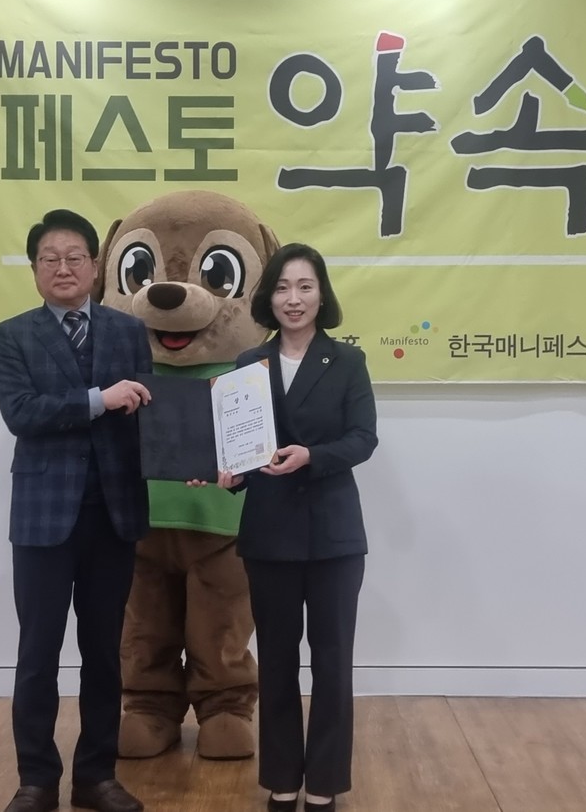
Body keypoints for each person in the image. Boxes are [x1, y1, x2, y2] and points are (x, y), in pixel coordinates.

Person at [192, 243, 378, 812]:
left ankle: (323, 784)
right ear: (268, 297)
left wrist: (312, 456)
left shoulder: (346, 361)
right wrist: (229, 475)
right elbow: (244, 452)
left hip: (333, 536)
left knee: (332, 663)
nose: (293, 299)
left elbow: (363, 438)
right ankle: (281, 780)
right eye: (282, 287)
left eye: (304, 286)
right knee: (274, 661)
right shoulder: (249, 365)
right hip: (270, 534)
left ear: (322, 294)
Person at [0, 209, 152, 812]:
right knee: (37, 655)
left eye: (74, 257)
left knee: (105, 654)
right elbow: (21, 413)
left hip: (114, 514)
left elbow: (149, 416)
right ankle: (36, 779)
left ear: (95, 265)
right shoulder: (14, 334)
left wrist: (185, 457)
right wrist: (97, 399)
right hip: (43, 517)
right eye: (50, 258)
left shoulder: (128, 331)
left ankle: (96, 776)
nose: (63, 268)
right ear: (35, 269)